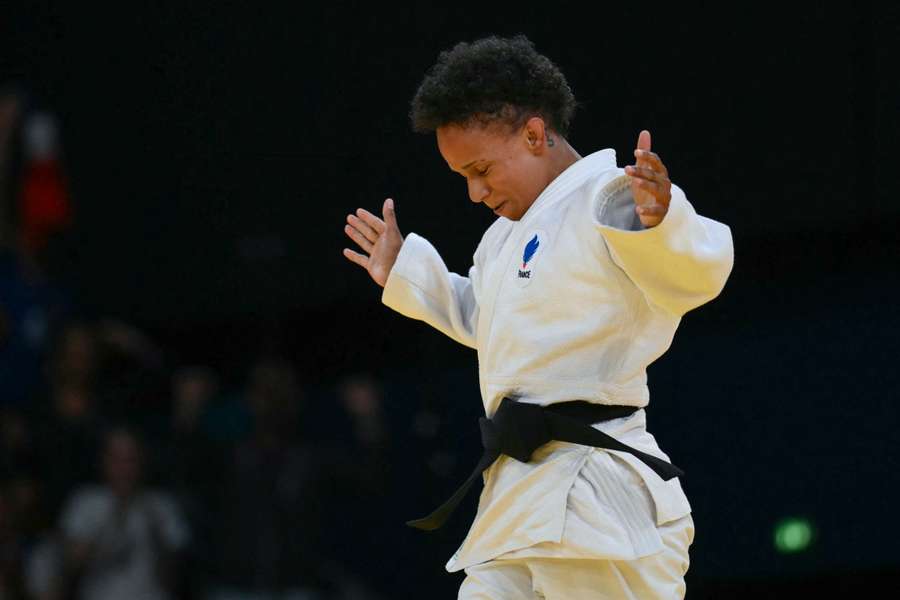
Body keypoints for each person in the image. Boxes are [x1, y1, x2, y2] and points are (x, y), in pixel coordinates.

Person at [342, 35, 733, 599]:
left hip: (597, 493)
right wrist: (409, 270)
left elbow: (700, 273)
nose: (475, 192)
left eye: (481, 169)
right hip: (518, 496)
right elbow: (492, 323)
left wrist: (664, 222)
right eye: (463, 178)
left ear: (533, 133)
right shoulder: (504, 237)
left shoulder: (611, 197)